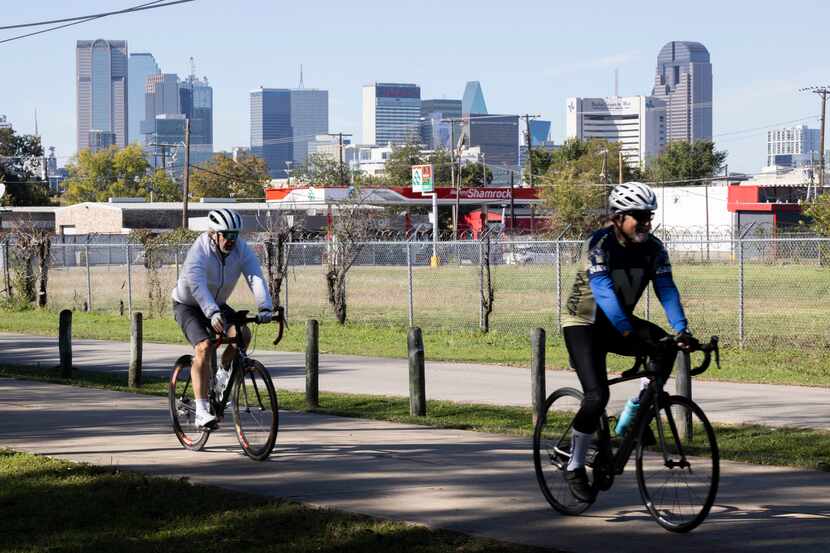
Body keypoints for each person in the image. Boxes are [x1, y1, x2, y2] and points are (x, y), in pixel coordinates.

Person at [560, 182, 693, 502]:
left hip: (619, 322)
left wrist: (681, 329)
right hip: (585, 323)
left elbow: (666, 288)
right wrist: (627, 332)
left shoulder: (655, 248)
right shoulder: (600, 244)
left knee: (664, 345)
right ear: (618, 218)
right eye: (638, 217)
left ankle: (634, 416)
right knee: (596, 396)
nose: (646, 223)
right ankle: (575, 465)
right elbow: (603, 289)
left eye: (649, 216)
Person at [171, 208, 273, 428]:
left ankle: (221, 375)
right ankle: (200, 411)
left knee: (242, 335)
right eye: (226, 235)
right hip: (188, 305)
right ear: (213, 234)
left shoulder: (241, 250)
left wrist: (265, 307)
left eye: (235, 236)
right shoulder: (199, 251)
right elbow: (197, 285)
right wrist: (211, 312)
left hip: (216, 305)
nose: (231, 240)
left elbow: (255, 276)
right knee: (205, 346)